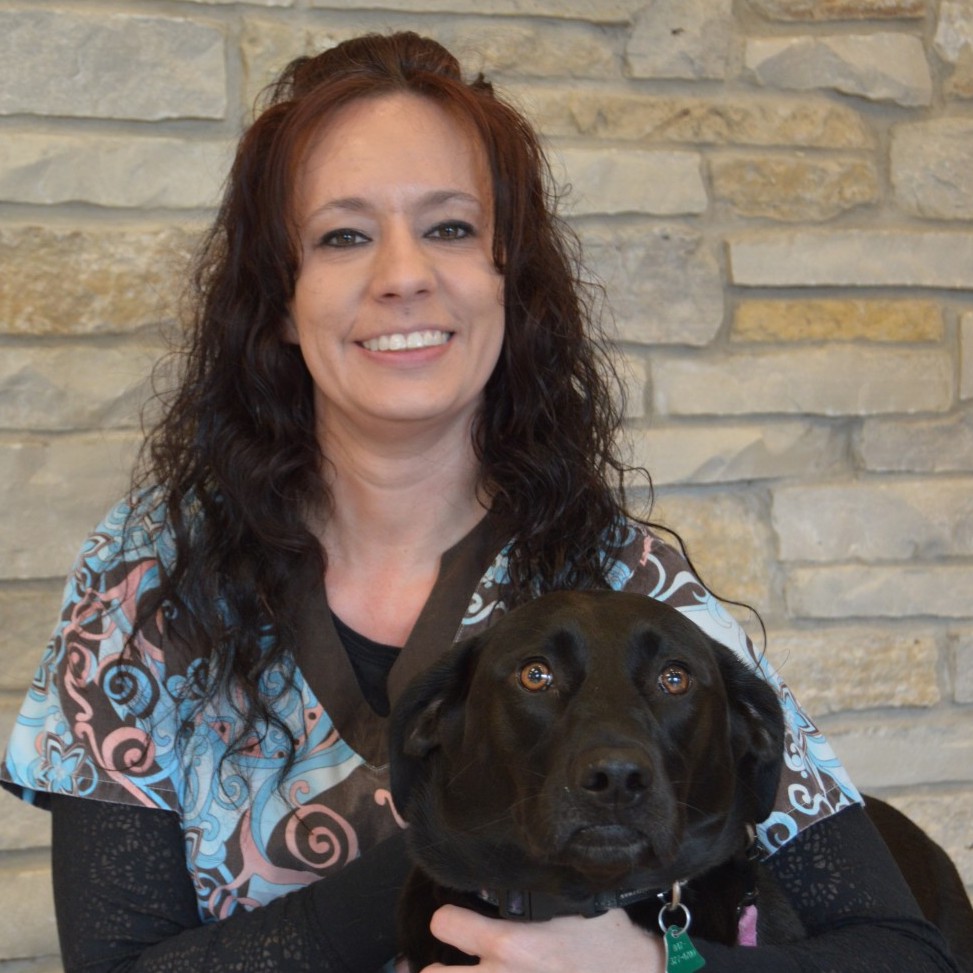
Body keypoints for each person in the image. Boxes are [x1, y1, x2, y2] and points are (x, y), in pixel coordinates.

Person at [0, 31, 960, 973]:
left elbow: (902, 951)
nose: (404, 275)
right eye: (342, 236)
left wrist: (652, 969)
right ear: (279, 301)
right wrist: (446, 865)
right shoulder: (152, 585)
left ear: (510, 281)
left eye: (450, 227)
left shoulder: (628, 590)